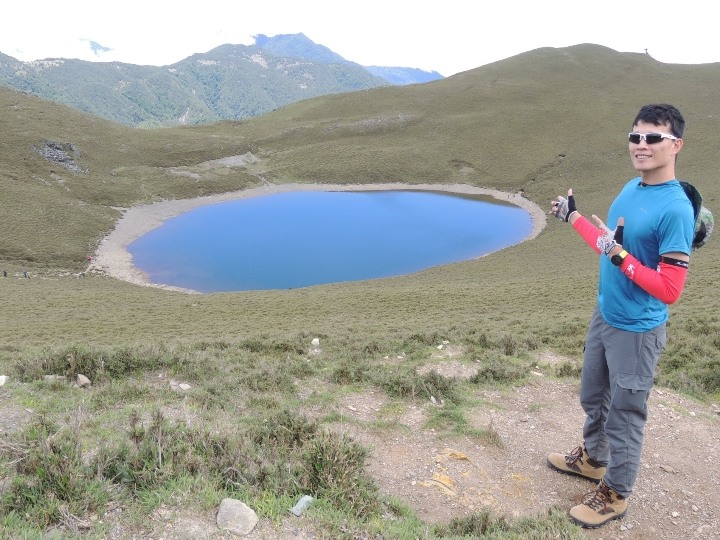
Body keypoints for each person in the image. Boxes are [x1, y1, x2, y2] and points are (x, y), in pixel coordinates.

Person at [546, 103, 695, 529]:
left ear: (676, 145)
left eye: (653, 138)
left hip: (637, 330)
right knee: (593, 396)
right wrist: (572, 216)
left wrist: (622, 256)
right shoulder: (632, 188)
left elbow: (670, 289)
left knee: (625, 412)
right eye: (636, 137)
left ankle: (616, 491)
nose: (642, 145)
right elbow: (608, 245)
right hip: (606, 313)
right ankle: (594, 459)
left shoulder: (676, 209)